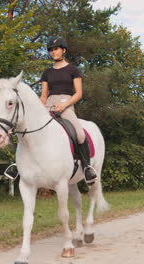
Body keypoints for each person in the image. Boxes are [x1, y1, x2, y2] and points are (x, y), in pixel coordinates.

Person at [39, 36, 97, 184]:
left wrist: (64, 105)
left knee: (79, 134)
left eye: (56, 49)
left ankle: (87, 167)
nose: (53, 52)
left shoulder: (73, 70)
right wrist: (39, 110)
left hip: (66, 103)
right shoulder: (47, 72)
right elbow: (44, 95)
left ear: (63, 50)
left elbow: (78, 93)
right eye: (51, 50)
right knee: (30, 128)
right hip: (49, 105)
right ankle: (19, 167)